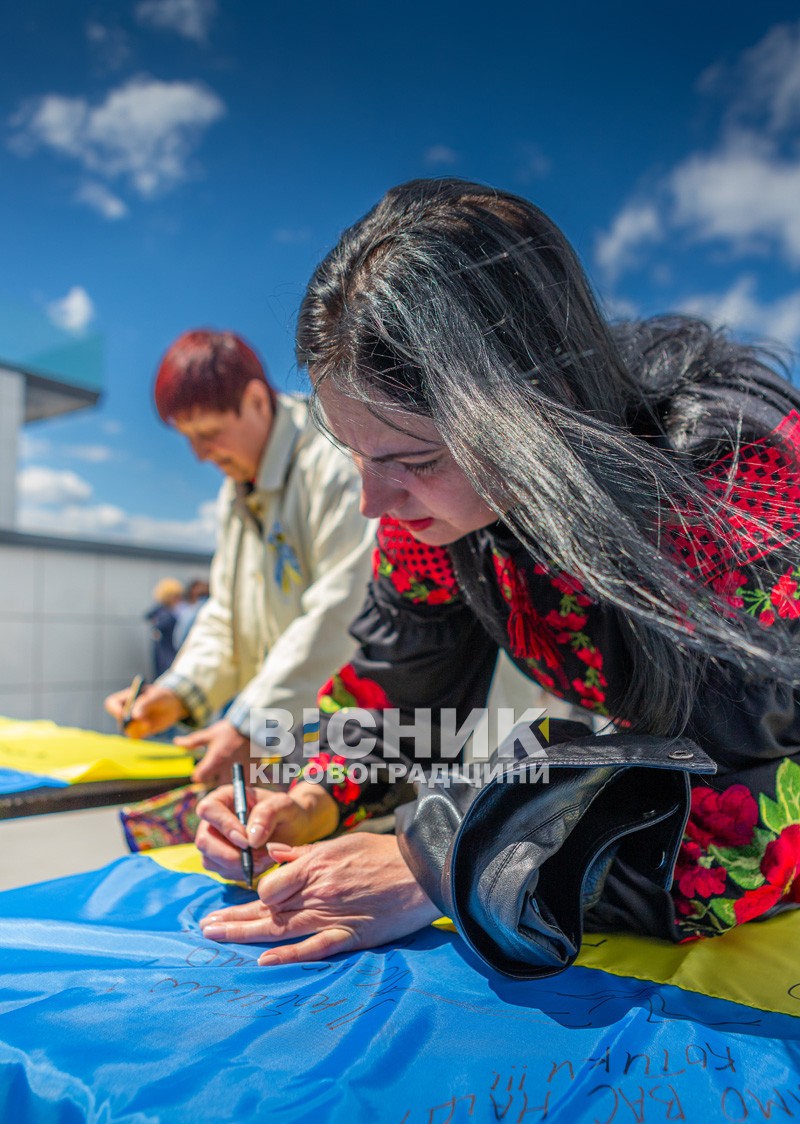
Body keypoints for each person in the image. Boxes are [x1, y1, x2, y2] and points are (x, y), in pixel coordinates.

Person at [193, 178, 800, 971]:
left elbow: (751, 823)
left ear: (531, 411)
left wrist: (443, 862)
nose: (373, 501)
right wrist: (309, 797)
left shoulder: (726, 488)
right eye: (354, 454)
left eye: (413, 459)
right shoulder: (436, 516)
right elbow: (397, 692)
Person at [105, 330, 375, 787]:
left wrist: (252, 723)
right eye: (188, 438)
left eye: (208, 433)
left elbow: (342, 609)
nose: (199, 455)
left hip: (372, 744)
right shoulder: (237, 491)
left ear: (255, 400)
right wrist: (176, 692)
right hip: (296, 744)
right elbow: (228, 616)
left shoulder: (334, 464)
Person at [145, 577, 185, 677]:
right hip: (168, 658)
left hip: (162, 658)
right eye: (176, 596)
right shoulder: (167, 616)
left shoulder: (160, 613)